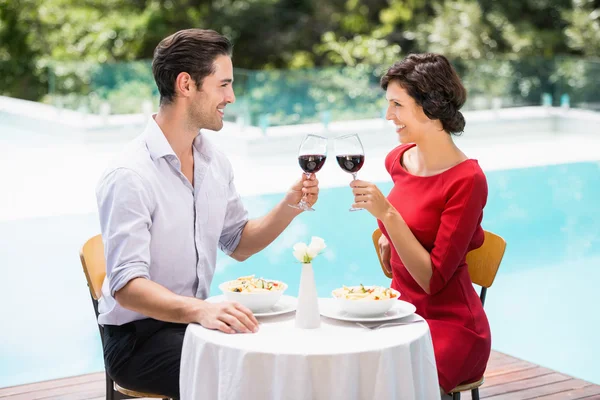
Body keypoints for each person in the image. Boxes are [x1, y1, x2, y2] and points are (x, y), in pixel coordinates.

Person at [95, 29, 320, 399]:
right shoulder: (130, 176)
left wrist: (291, 205)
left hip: (189, 324)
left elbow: (239, 243)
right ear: (186, 84)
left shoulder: (212, 160)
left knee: (280, 359)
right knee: (251, 379)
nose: (231, 97)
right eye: (223, 85)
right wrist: (200, 311)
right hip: (138, 342)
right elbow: (127, 288)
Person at [349, 53, 491, 396]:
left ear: (431, 105)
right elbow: (414, 221)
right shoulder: (397, 160)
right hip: (399, 311)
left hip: (450, 326)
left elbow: (431, 279)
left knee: (394, 386)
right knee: (344, 368)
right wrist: (390, 237)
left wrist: (388, 218)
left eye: (397, 104)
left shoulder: (467, 180)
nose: (388, 116)